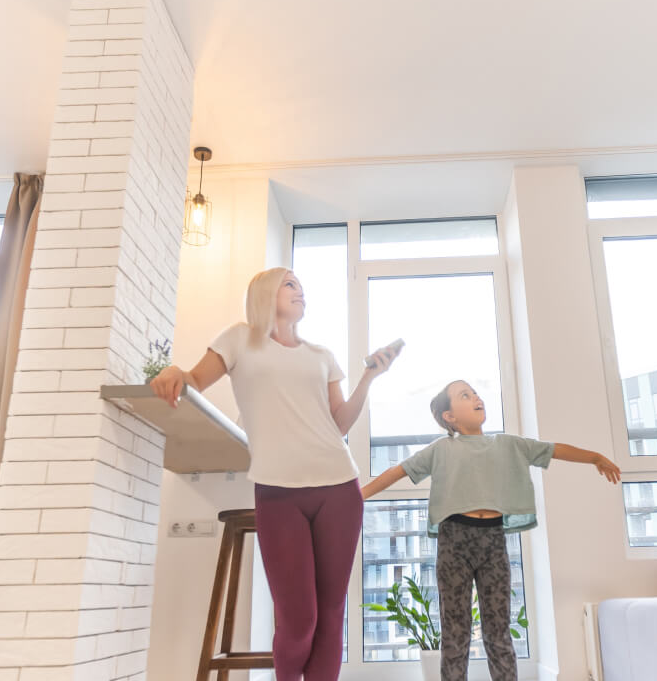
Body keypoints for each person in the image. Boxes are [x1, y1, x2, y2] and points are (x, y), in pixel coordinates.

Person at [151, 267, 400, 681]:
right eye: (291, 285)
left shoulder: (322, 356)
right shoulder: (239, 339)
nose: (300, 292)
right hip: (278, 492)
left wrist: (369, 377)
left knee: (330, 614)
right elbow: (195, 379)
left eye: (303, 287)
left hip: (338, 488)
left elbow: (339, 425)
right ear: (265, 293)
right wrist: (177, 372)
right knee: (298, 619)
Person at [360, 380, 621, 681]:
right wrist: (358, 494)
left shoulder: (508, 444)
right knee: (455, 633)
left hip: (493, 541)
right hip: (454, 541)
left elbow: (553, 449)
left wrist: (595, 458)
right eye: (465, 395)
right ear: (449, 417)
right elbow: (397, 471)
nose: (476, 397)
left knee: (498, 631)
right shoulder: (441, 449)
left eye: (475, 393)